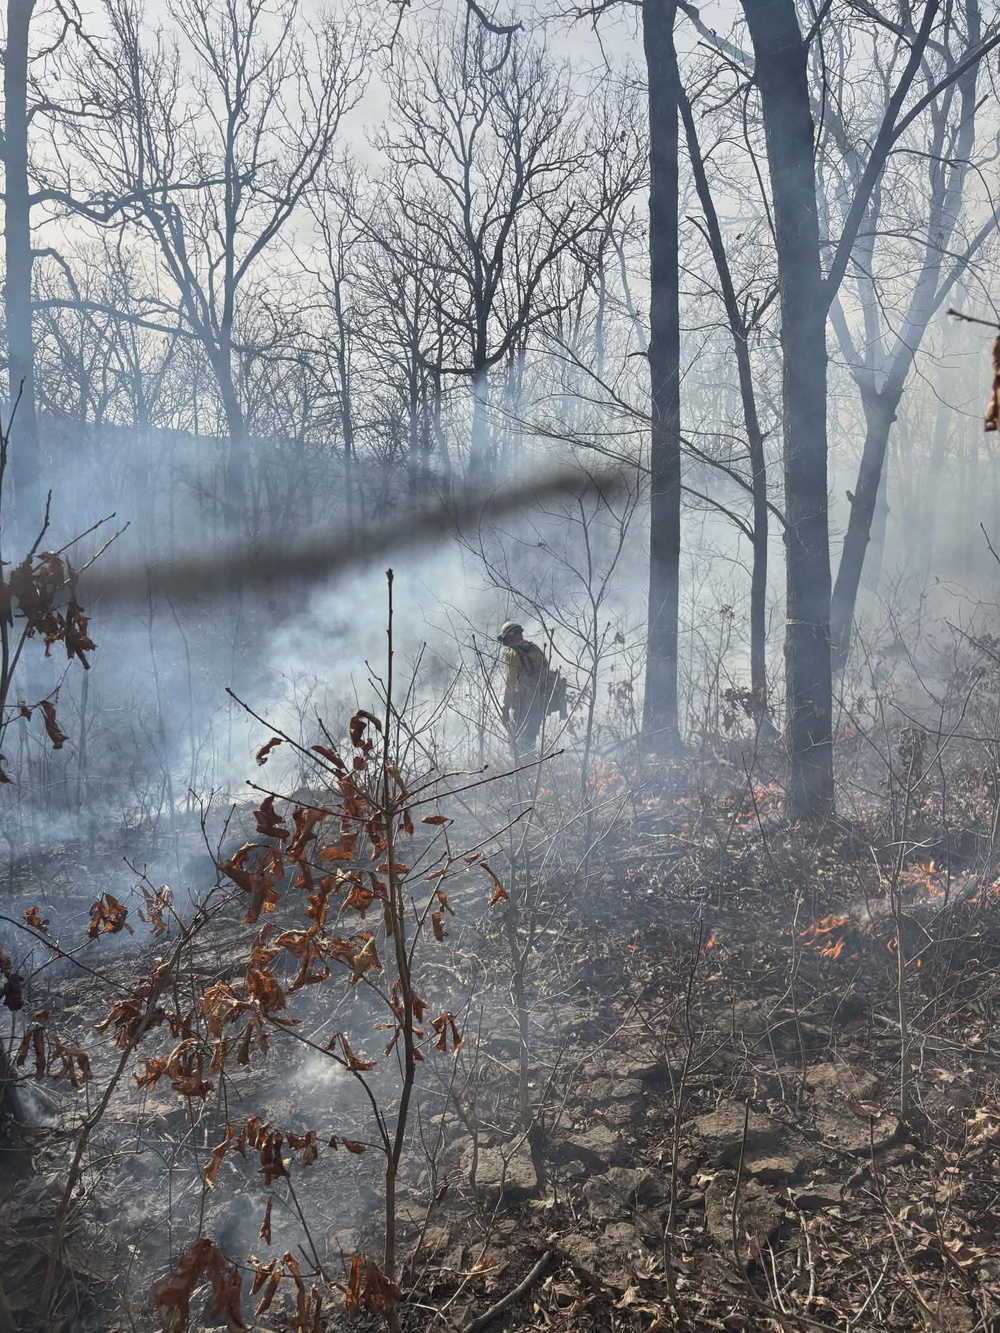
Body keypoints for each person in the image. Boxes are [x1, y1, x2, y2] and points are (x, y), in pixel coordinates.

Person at [498, 621, 554, 753]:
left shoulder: (513, 654)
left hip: (522, 706)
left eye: (506, 638)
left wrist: (505, 706)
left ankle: (520, 771)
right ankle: (533, 769)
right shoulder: (535, 650)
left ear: (511, 636)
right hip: (540, 703)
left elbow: (510, 683)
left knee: (517, 743)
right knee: (530, 740)